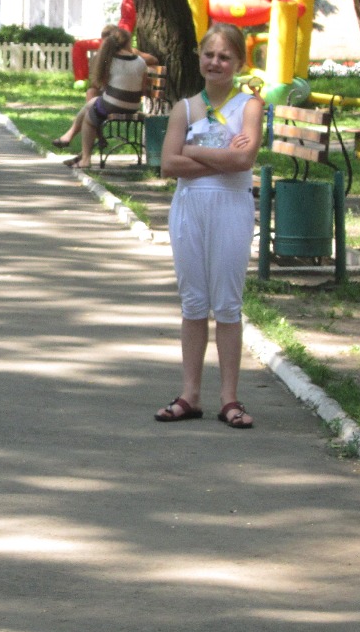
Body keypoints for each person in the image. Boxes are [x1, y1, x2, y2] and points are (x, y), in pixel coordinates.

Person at [154, 22, 263, 429]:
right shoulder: (184, 108)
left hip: (231, 208)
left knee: (228, 304)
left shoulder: (249, 106)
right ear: (199, 58)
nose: (215, 62)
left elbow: (244, 161)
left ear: (239, 63)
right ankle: (190, 395)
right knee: (194, 302)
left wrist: (192, 149)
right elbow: (168, 164)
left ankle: (229, 399)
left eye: (224, 57)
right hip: (189, 209)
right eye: (209, 55)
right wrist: (220, 156)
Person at [60, 25, 158, 169]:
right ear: (128, 43)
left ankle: (85, 159)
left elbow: (101, 84)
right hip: (133, 106)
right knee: (92, 103)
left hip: (112, 104)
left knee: (89, 119)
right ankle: (71, 137)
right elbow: (143, 90)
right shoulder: (140, 61)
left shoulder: (108, 60)